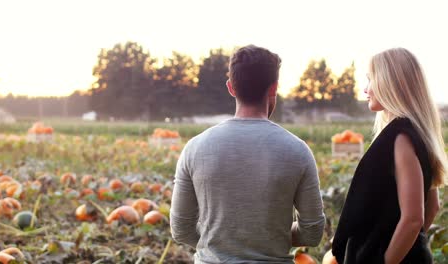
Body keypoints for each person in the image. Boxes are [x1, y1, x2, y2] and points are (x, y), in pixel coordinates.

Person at [170, 45, 325, 263]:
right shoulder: (297, 150)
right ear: (273, 88)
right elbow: (312, 231)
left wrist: (222, 243)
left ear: (231, 87)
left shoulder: (195, 148)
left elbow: (181, 228)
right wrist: (270, 239)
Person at [332, 47, 447, 264]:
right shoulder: (417, 133)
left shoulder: (400, 137)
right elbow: (432, 206)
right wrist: (412, 246)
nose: (366, 89)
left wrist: (387, 260)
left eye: (370, 80)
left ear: (389, 82)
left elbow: (414, 219)